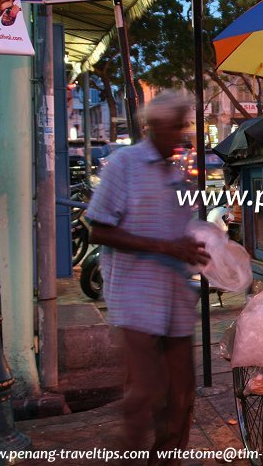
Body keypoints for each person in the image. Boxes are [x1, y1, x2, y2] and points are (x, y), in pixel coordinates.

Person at [86, 91, 210, 461]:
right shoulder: (124, 164)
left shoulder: (175, 170)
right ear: (154, 126)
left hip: (175, 296)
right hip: (136, 295)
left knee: (182, 393)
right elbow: (98, 230)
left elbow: (180, 231)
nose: (183, 133)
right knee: (146, 391)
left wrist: (202, 246)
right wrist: (166, 247)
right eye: (176, 126)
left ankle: (166, 455)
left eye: (184, 125)